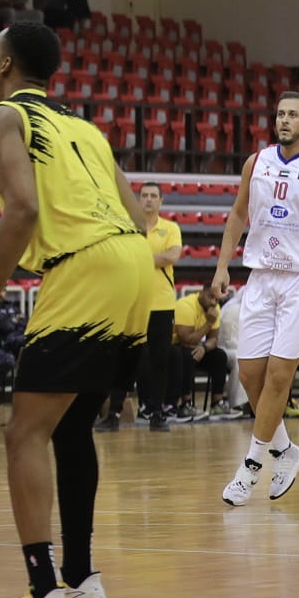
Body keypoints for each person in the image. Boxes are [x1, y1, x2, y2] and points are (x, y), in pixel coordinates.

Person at [0, 22, 149, 598]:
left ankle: (44, 596)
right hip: (134, 268)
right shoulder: (86, 127)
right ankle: (84, 584)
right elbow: (138, 215)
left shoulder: (1, 118)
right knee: (70, 429)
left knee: (23, 434)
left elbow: (25, 208)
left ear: (7, 64)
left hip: (83, 269)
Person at [209, 92, 299, 507]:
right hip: (261, 275)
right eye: (279, 114)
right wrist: (222, 266)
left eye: (293, 114)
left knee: (278, 375)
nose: (284, 120)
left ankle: (251, 467)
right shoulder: (255, 163)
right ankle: (286, 450)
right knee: (250, 374)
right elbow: (238, 215)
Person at [102, 184, 182, 432]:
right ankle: (113, 413)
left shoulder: (170, 228)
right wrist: (153, 259)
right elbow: (118, 257)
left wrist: (138, 258)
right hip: (131, 302)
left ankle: (157, 413)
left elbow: (172, 257)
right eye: (144, 196)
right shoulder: (127, 226)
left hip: (161, 304)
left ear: (161, 201)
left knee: (160, 360)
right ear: (138, 200)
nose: (148, 200)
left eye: (153, 196)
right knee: (124, 358)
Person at [170, 285, 232, 420]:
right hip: (174, 348)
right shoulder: (185, 305)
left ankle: (217, 404)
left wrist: (204, 347)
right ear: (201, 292)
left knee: (219, 356)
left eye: (217, 299)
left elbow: (214, 339)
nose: (213, 302)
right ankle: (185, 404)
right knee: (188, 354)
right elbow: (186, 339)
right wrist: (209, 324)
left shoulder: (215, 308)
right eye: (210, 297)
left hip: (196, 346)